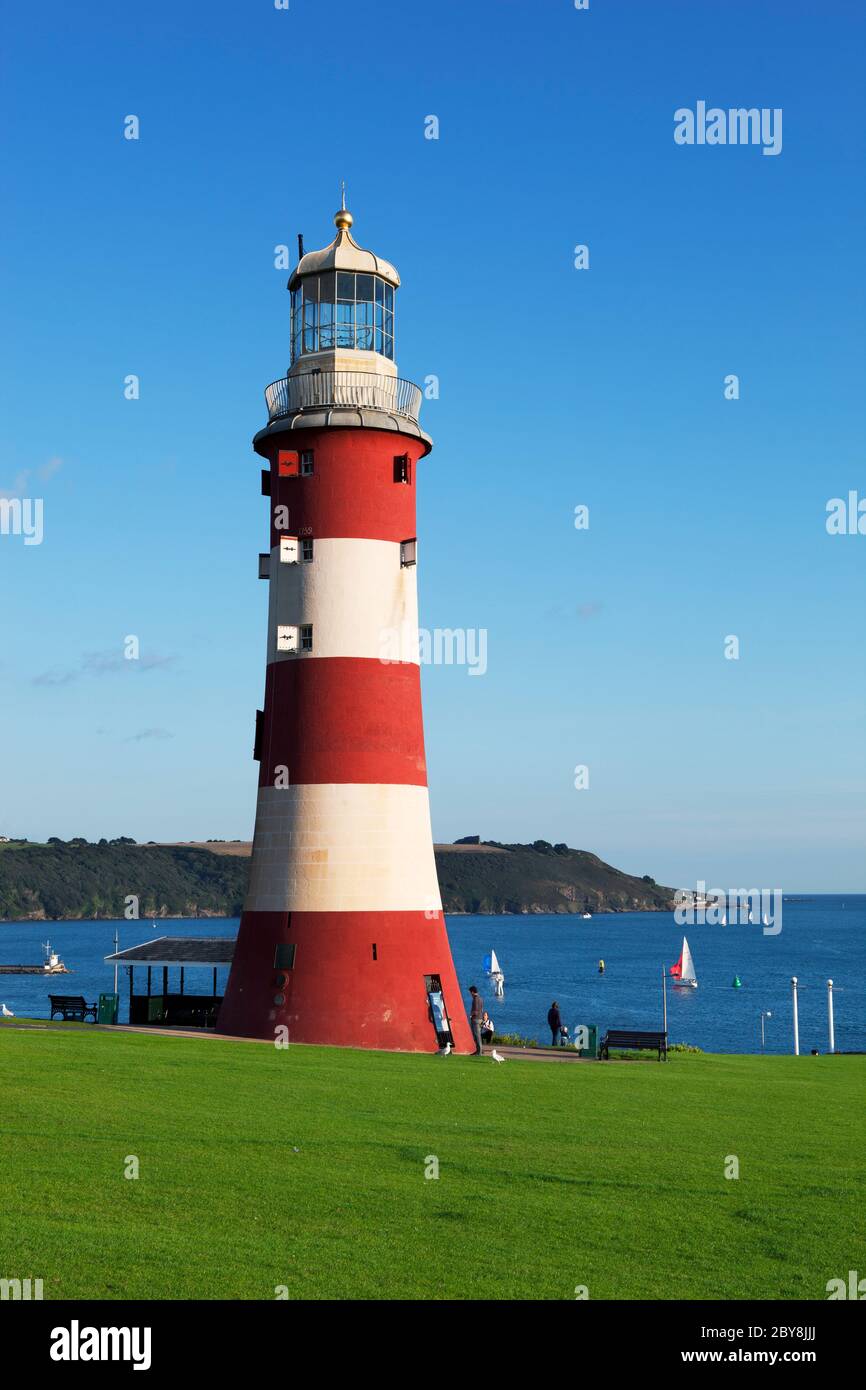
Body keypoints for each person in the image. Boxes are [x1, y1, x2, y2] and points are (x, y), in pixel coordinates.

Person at [468, 985, 484, 1055]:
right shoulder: (480, 998)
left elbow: (476, 1010)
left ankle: (479, 1051)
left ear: (472, 992)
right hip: (480, 1018)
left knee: (477, 1036)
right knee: (478, 1035)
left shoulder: (475, 999)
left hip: (476, 1019)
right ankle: (479, 1050)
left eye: (470, 992)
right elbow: (481, 1009)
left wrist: (471, 1016)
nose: (470, 994)